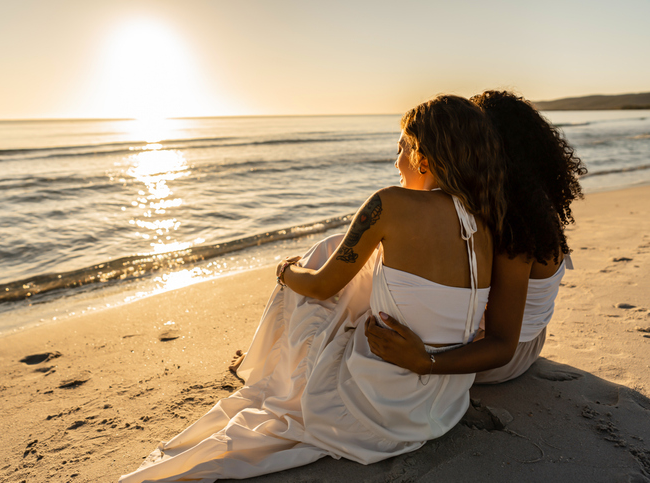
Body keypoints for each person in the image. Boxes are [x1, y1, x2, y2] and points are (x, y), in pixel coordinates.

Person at [119, 95, 507, 483]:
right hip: (441, 405)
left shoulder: (391, 204)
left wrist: (285, 272)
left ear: (424, 157)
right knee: (341, 251)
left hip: (382, 407)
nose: (396, 161)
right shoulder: (487, 221)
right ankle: (265, 365)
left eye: (402, 147)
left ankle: (268, 368)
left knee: (315, 267)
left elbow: (322, 287)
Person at [365, 91, 586, 385]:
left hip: (505, 353)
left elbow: (502, 345)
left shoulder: (514, 226)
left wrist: (425, 362)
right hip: (524, 338)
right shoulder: (523, 203)